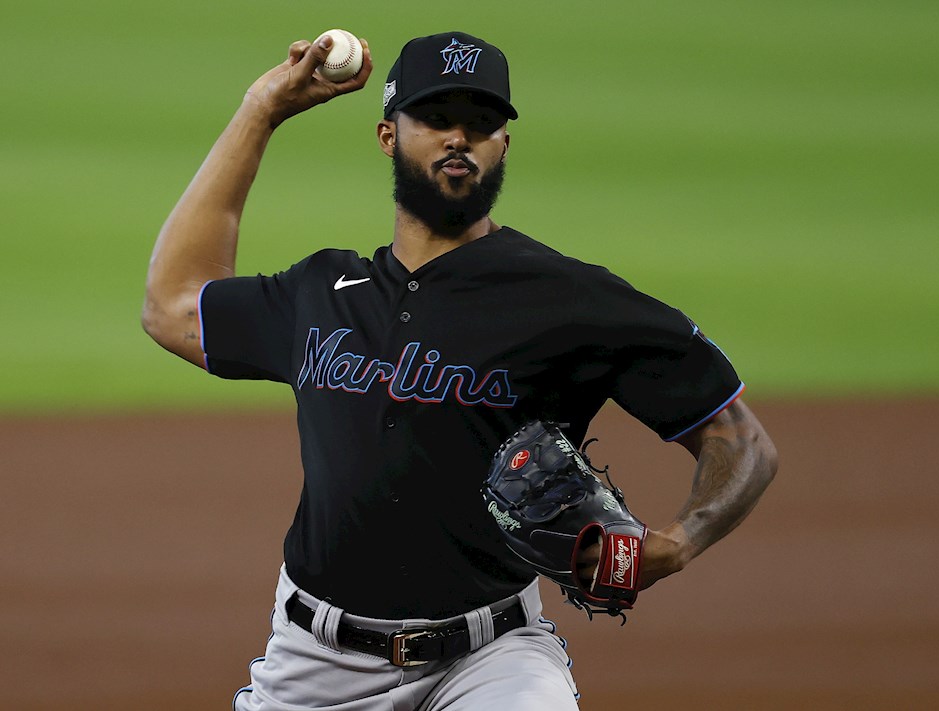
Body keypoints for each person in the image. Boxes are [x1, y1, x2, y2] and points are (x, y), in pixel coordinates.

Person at [142, 30, 778, 711]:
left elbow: (741, 440)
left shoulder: (569, 299)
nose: (458, 138)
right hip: (314, 664)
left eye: (480, 123)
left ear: (504, 143)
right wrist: (261, 108)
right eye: (436, 118)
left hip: (492, 660)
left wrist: (677, 543)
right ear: (389, 134)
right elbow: (173, 305)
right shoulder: (320, 294)